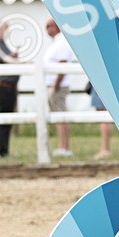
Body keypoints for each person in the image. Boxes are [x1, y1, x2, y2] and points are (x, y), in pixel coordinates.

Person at [43, 18, 76, 157]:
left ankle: (65, 147)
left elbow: (62, 65)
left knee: (61, 116)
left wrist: (55, 86)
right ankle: (62, 146)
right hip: (54, 84)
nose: (46, 30)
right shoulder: (56, 43)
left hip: (58, 86)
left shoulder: (61, 43)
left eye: (48, 26)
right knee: (58, 117)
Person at [0, 20, 19, 158]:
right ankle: (2, 151)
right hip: (4, 88)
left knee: (7, 120)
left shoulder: (3, 46)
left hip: (9, 87)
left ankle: (4, 150)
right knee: (4, 119)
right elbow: (7, 60)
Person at [88, 85, 113, 159]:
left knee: (103, 115)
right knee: (103, 115)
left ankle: (105, 149)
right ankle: (105, 149)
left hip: (101, 84)